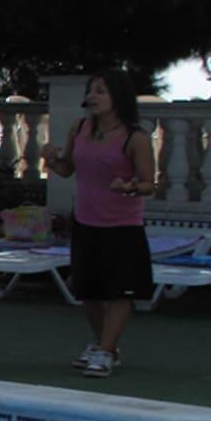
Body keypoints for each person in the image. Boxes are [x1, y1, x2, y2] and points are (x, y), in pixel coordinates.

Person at [44, 70, 155, 379]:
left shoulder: (135, 138)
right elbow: (66, 169)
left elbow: (149, 184)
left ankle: (105, 350)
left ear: (118, 97)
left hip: (122, 226)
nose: (92, 97)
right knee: (89, 291)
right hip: (85, 222)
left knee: (119, 292)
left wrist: (129, 187)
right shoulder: (80, 128)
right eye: (91, 91)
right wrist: (51, 160)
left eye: (101, 91)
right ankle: (106, 346)